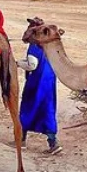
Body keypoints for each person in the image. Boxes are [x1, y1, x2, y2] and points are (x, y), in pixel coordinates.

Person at [18, 18, 61, 154]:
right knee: (48, 110)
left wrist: (17, 63)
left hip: (36, 82)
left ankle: (21, 139)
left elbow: (32, 64)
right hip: (49, 81)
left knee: (28, 107)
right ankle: (52, 142)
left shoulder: (34, 46)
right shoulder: (49, 44)